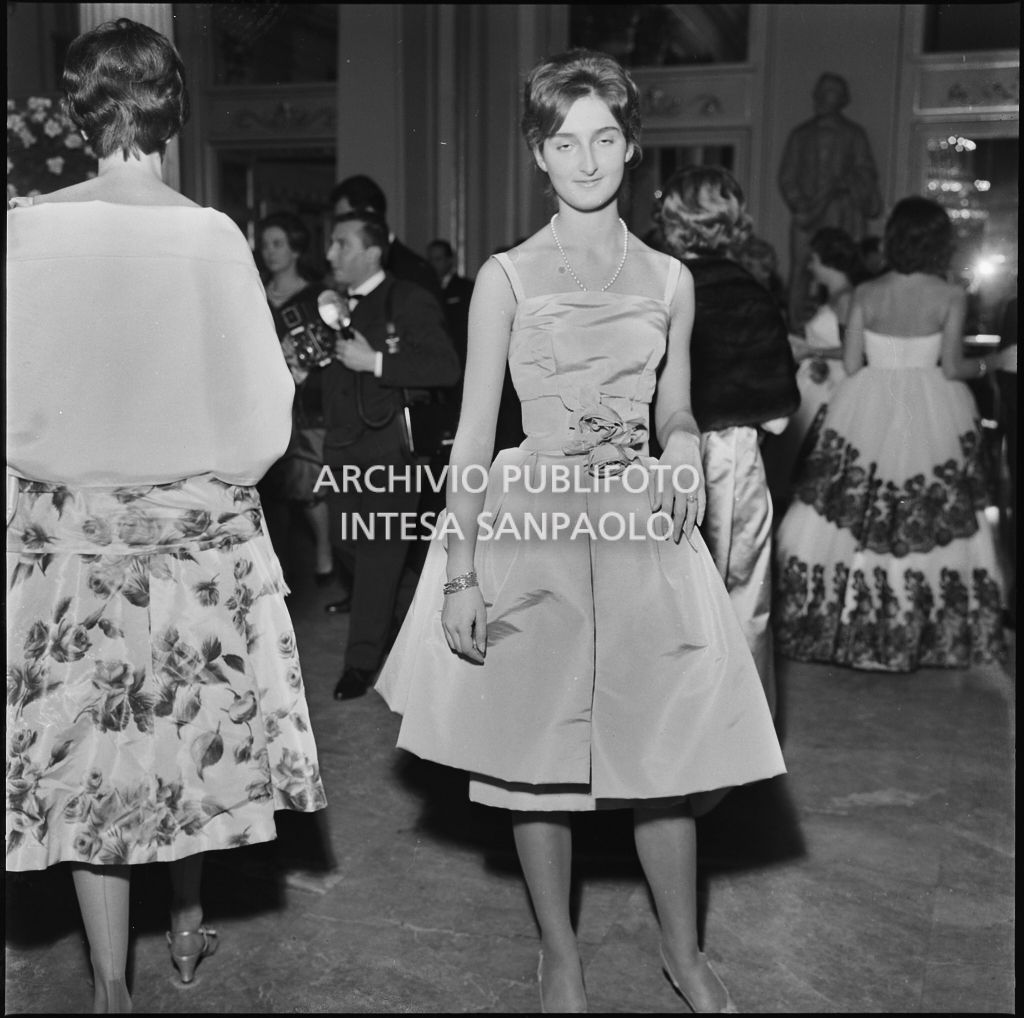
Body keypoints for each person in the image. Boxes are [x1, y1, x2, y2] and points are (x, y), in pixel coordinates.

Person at [376, 49, 784, 1013]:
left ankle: (682, 953)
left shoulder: (672, 278)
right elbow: (476, 432)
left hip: (642, 525)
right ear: (539, 154)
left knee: (667, 760)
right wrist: (461, 574)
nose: (586, 158)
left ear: (632, 147)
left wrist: (681, 445)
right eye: (565, 141)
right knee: (534, 760)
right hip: (536, 519)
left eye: (604, 138)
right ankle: (560, 952)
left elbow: (675, 408)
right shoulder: (507, 278)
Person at [5, 19, 327, 1013]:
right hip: (190, 531)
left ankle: (111, 987)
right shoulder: (209, 234)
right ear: (173, 111)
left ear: (80, 108)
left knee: (98, 767)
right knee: (180, 743)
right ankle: (186, 925)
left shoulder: (28, 226)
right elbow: (262, 407)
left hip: (67, 539)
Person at [774, 196, 1008, 671]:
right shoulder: (949, 295)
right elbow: (952, 365)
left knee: (851, 513)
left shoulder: (866, 293)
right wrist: (992, 363)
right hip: (934, 407)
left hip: (868, 403)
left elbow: (855, 361)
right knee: (930, 516)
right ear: (940, 243)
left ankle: (840, 623)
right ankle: (922, 631)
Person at [655, 165, 800, 716]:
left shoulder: (654, 285)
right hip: (732, 459)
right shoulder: (751, 291)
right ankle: (740, 734)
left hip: (656, 457)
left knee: (667, 600)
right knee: (742, 596)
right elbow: (781, 410)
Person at [313, 208, 460, 700]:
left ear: (373, 251)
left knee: (376, 554)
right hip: (340, 449)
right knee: (349, 548)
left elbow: (445, 366)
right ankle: (411, 624)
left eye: (342, 243)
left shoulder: (409, 298)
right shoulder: (330, 305)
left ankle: (359, 664)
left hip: (390, 453)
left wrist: (375, 361)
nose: (331, 253)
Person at [256, 212, 334, 585]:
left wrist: (300, 360)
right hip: (261, 400)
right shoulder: (253, 290)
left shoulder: (316, 294)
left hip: (306, 401)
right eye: (265, 244)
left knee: (308, 486)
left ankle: (323, 553)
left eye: (277, 244)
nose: (269, 252)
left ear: (296, 249)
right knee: (270, 490)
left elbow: (330, 347)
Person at [768, 226, 864, 511]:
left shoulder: (847, 298)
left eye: (814, 260)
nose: (810, 266)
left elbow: (854, 351)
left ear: (827, 260)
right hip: (817, 382)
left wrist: (811, 350)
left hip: (834, 388)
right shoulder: (833, 297)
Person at [778, 72, 882, 326]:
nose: (822, 97)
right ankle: (795, 327)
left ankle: (843, 326)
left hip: (840, 211)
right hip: (806, 216)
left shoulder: (853, 135)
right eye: (820, 92)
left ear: (842, 99)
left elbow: (866, 171)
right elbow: (787, 175)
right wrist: (799, 202)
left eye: (830, 92)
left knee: (841, 270)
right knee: (800, 270)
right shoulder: (800, 135)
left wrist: (846, 184)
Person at [329, 174, 442, 298]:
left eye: (347, 217)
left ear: (370, 213)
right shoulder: (339, 274)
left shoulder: (415, 272)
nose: (340, 225)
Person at [426, 238, 475, 368]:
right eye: (430, 260)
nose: (432, 264)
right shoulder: (424, 289)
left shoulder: (466, 288)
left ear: (449, 260)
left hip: (459, 355)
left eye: (438, 259)